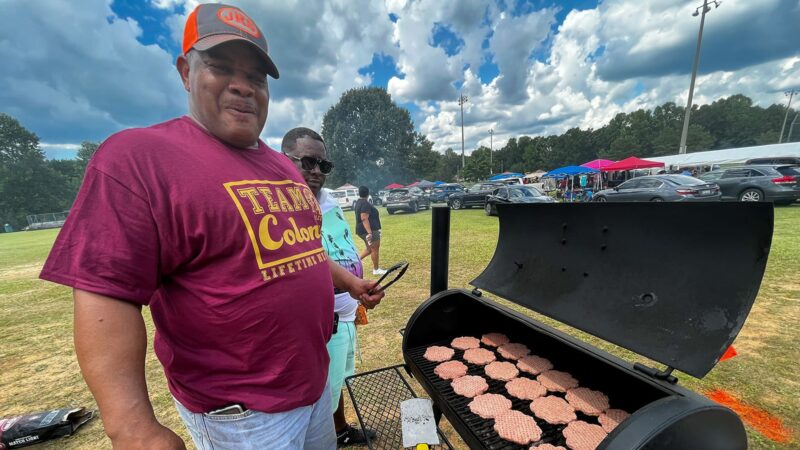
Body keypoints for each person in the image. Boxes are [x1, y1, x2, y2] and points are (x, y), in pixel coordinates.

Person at [39, 4, 383, 450]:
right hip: (244, 418)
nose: (242, 86)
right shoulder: (139, 158)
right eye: (221, 67)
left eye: (256, 77)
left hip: (314, 386)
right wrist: (131, 427)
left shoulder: (284, 168)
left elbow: (304, 253)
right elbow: (105, 294)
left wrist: (351, 283)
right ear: (185, 72)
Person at [281, 127, 377, 447]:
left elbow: (341, 245)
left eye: (324, 165)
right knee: (325, 385)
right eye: (308, 162)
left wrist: (355, 288)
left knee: (339, 379)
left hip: (347, 309)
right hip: (322, 320)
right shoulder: (282, 207)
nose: (317, 172)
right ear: (285, 160)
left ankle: (340, 430)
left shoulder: (331, 200)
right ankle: (328, 436)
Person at [354, 186, 386, 275]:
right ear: (368, 193)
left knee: (369, 249)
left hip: (361, 230)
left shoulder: (358, 202)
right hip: (369, 231)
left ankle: (354, 263)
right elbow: (364, 218)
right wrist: (370, 233)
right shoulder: (365, 203)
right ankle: (376, 269)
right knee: (375, 249)